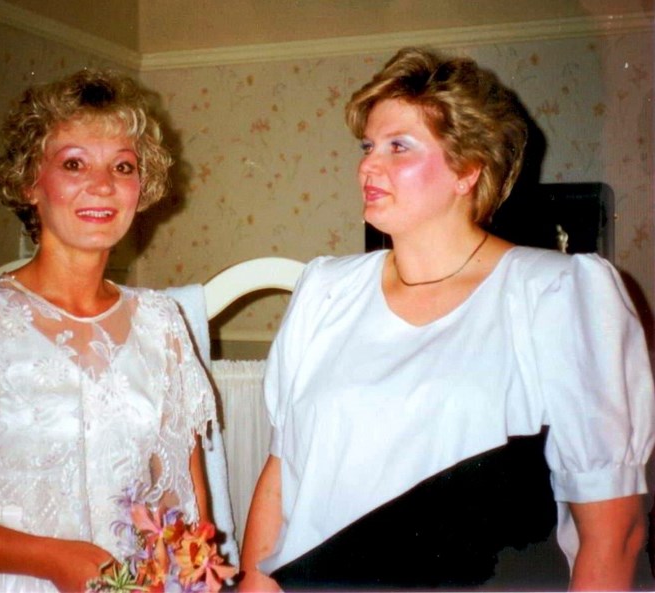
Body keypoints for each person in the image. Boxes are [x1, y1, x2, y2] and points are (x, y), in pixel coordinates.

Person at [240, 47, 655, 591]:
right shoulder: (324, 291)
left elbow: (614, 534)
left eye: (398, 146)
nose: (367, 165)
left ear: (467, 169)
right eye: (368, 146)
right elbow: (281, 474)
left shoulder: (556, 295)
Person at [0, 70, 217, 592]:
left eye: (123, 166)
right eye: (74, 163)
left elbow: (184, 513)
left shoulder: (163, 324)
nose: (103, 184)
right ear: (30, 182)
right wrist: (52, 559)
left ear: (141, 187)